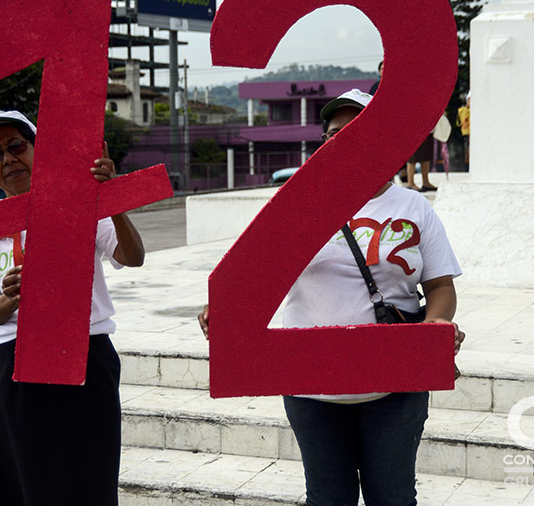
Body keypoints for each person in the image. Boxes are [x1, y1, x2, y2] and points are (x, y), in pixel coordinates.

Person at [198, 89, 464, 506]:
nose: (342, 139)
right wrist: (227, 310)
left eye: (356, 129)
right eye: (333, 132)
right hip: (311, 388)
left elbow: (440, 287)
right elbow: (255, 277)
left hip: (394, 385)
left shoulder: (414, 207)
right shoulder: (296, 205)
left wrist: (437, 323)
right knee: (327, 498)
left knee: (393, 498)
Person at [0, 109, 145, 506]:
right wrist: (12, 298)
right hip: (13, 363)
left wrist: (110, 198)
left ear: (39, 149)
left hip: (85, 354)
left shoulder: (81, 201)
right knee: (23, 484)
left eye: (16, 146)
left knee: (89, 478)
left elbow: (133, 256)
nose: (7, 160)